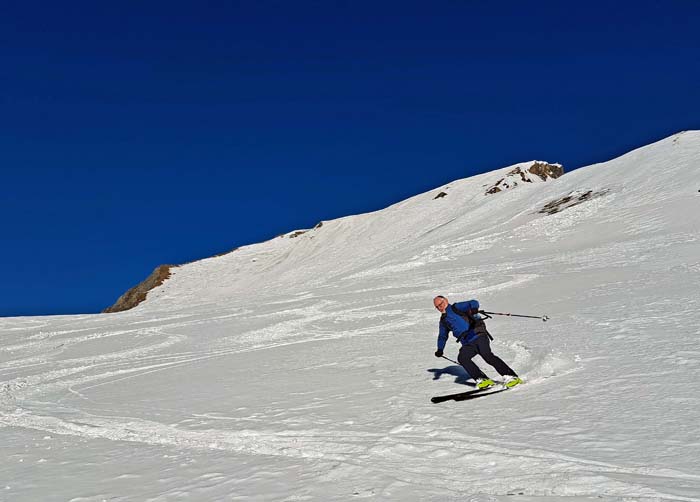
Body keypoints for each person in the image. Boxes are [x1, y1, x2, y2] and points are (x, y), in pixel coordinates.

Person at [433, 295, 522, 389]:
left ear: (446, 300)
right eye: (437, 306)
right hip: (467, 342)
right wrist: (440, 349)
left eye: (441, 304)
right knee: (463, 358)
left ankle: (512, 377)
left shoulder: (456, 307)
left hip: (478, 334)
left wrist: (474, 308)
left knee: (487, 355)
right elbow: (442, 336)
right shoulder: (443, 321)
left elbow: (473, 302)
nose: (440, 307)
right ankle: (483, 379)